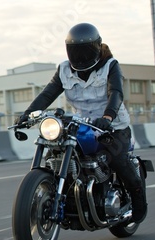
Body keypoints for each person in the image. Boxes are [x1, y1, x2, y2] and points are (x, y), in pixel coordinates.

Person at [16, 22, 147, 224]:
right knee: (58, 150)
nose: (81, 56)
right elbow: (47, 94)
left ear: (96, 47)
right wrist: (26, 115)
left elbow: (116, 93)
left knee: (116, 158)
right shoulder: (64, 70)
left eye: (85, 51)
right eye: (76, 51)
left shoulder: (110, 66)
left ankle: (138, 199)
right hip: (83, 124)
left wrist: (108, 117)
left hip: (113, 125)